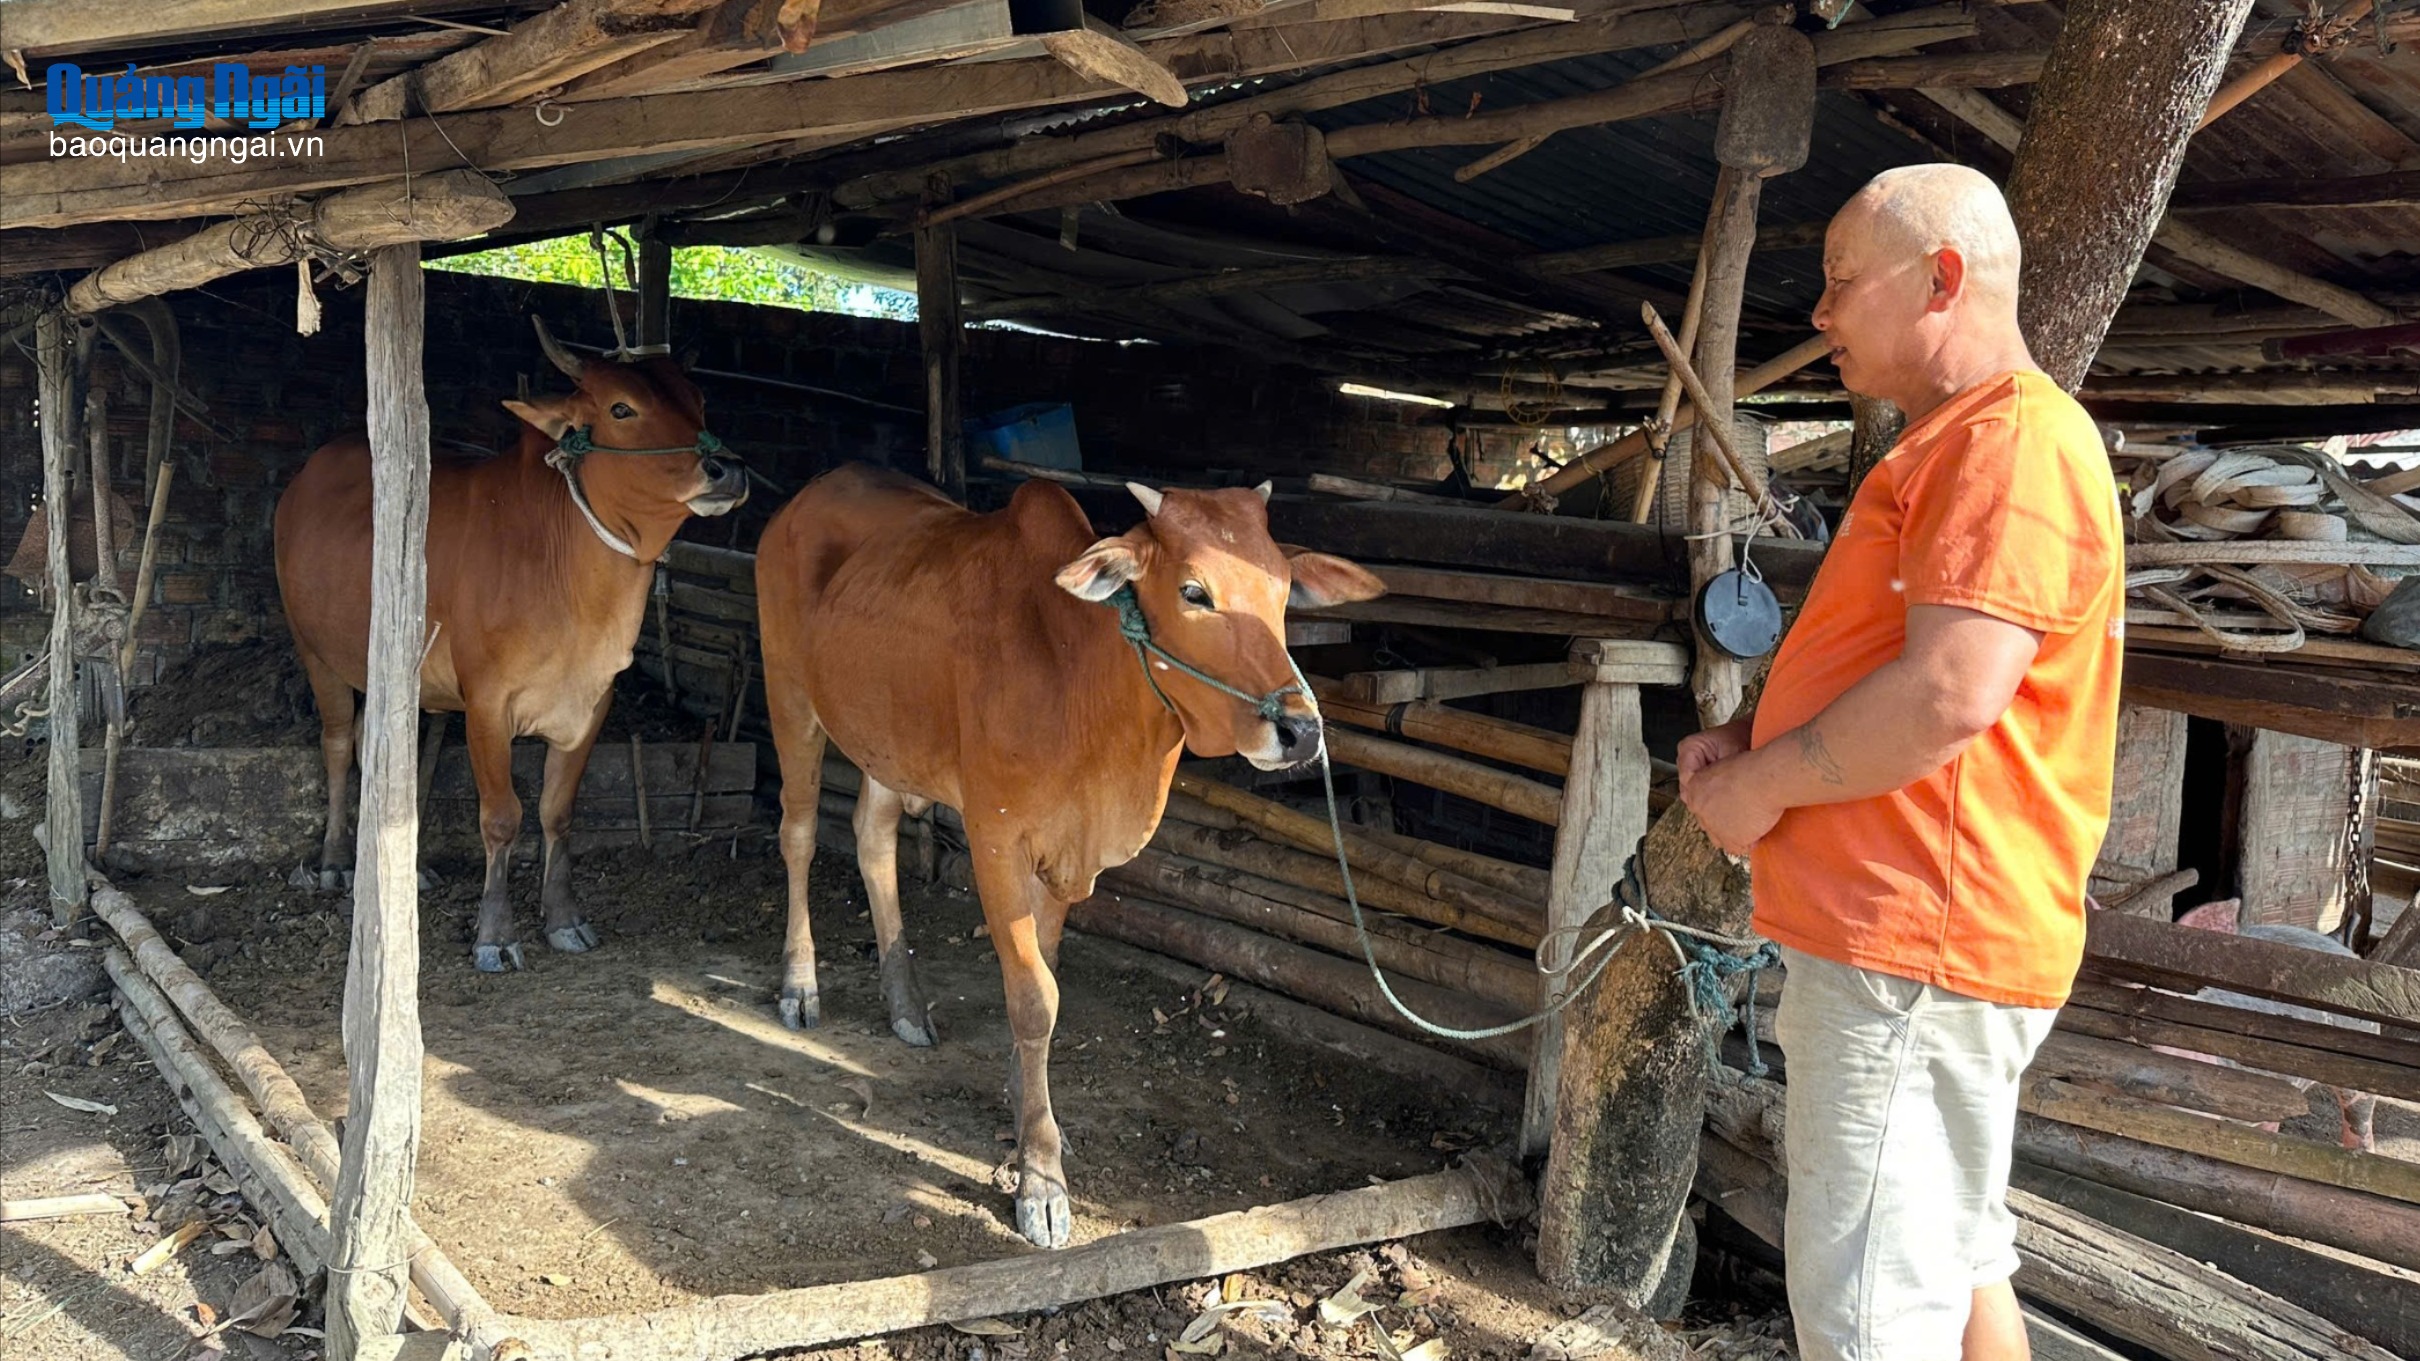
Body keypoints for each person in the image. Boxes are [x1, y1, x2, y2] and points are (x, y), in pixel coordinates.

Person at [1677, 163, 2124, 1361]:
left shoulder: (2009, 441)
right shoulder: (1963, 444)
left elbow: (1945, 692)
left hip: (1914, 943)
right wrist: (1755, 739)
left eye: (1836, 282)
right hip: (1927, 933)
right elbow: (1910, 664)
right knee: (1958, 1262)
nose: (1817, 313)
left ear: (1940, 279)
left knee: (1873, 1314)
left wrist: (1758, 788)